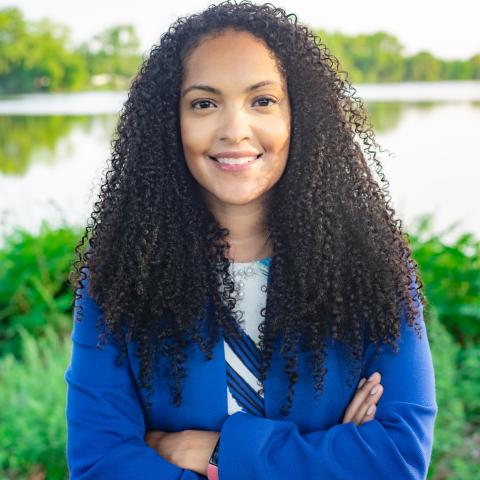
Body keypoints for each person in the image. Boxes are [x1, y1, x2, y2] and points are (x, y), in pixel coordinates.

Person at [64, 1, 437, 479]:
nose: (235, 130)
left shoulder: (372, 269)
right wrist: (326, 457)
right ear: (168, 121)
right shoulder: (119, 276)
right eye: (204, 103)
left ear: (299, 116)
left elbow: (396, 460)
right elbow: (100, 465)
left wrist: (219, 454)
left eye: (262, 101)